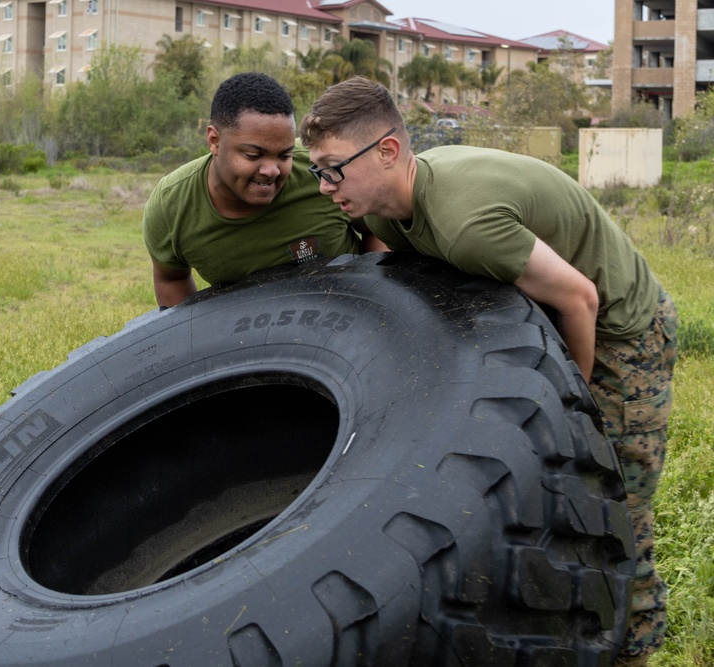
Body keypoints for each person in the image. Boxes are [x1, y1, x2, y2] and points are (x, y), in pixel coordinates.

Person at [299, 76, 677, 667]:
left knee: (615, 499)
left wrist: (570, 412)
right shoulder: (391, 211)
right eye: (316, 171)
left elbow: (580, 299)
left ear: (389, 152)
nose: (324, 188)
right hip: (547, 322)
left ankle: (637, 646)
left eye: (332, 169)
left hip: (622, 332)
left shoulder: (465, 222)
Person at [143, 72, 385, 307]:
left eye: (284, 155)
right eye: (253, 154)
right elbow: (171, 277)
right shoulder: (170, 206)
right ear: (214, 141)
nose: (271, 170)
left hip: (346, 314)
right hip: (251, 334)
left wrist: (376, 297)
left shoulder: (325, 169)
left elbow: (378, 229)